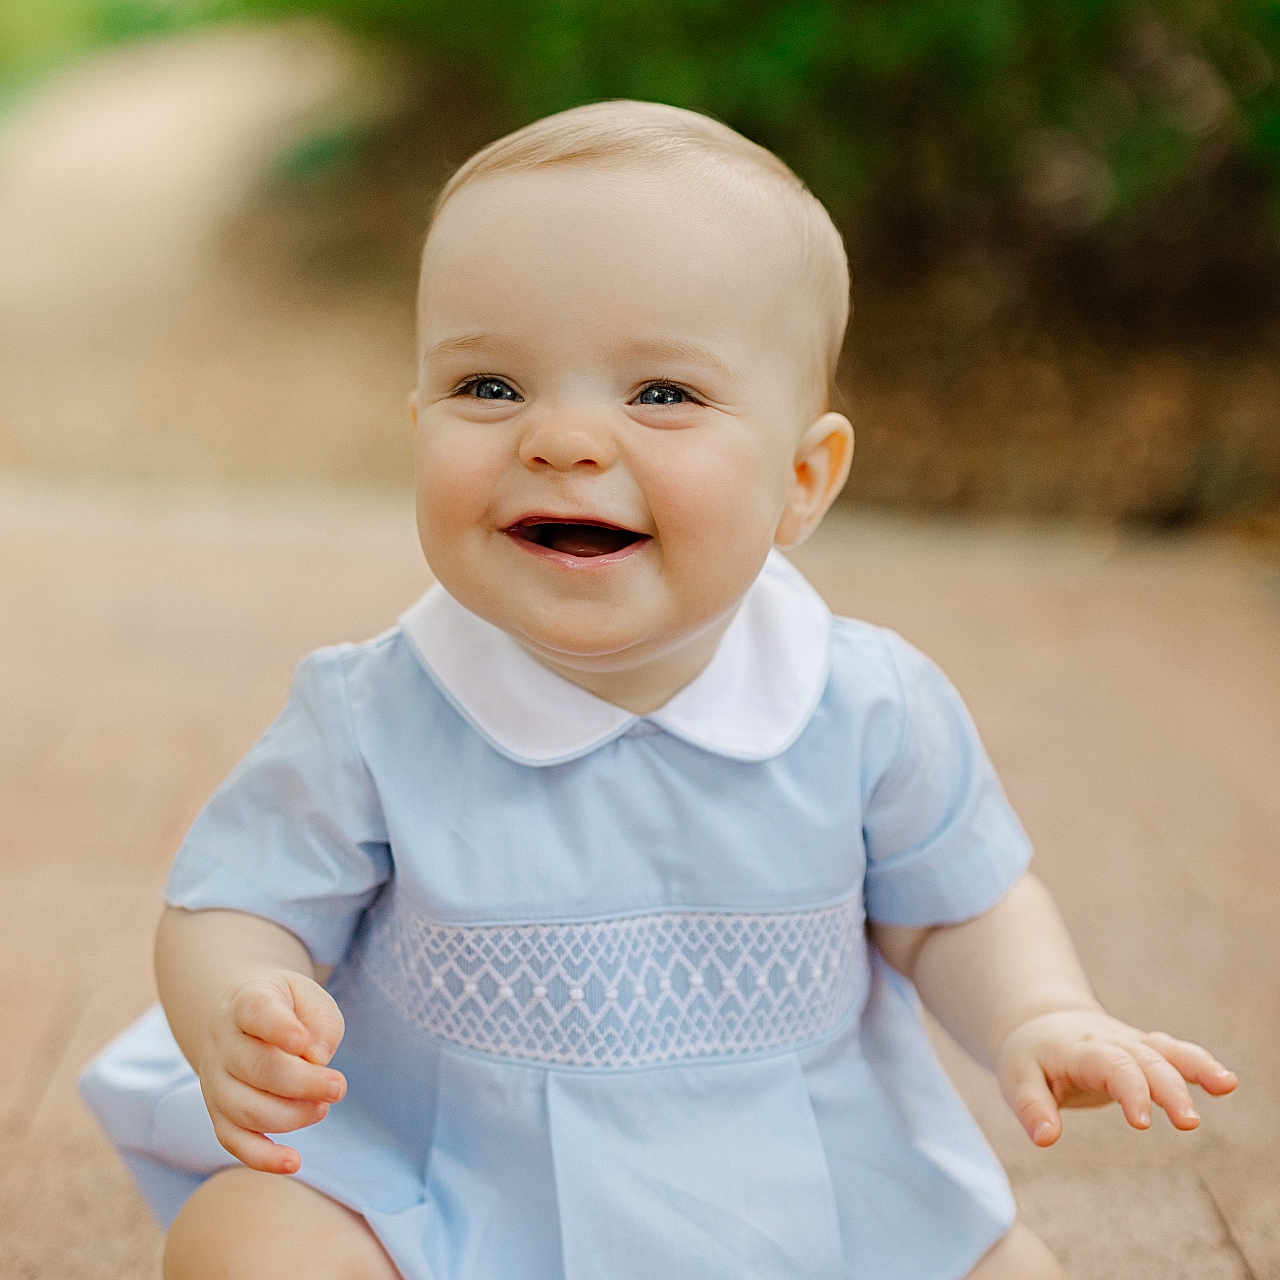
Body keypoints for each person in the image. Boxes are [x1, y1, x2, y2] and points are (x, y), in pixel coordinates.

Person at [80, 100, 1237, 1280]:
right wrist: (240, 998)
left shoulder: (864, 705)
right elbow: (235, 900)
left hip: (806, 1194)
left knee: (1013, 1269)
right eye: (488, 386)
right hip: (449, 1189)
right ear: (417, 419)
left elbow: (953, 905)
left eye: (662, 395)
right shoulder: (375, 713)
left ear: (800, 479)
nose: (564, 438)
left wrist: (1038, 1014)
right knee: (245, 1241)